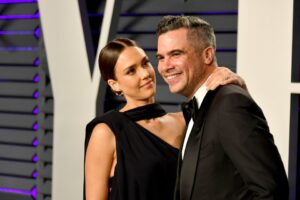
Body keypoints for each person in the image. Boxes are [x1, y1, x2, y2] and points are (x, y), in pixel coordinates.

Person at [84, 37, 245, 200]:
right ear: (114, 84)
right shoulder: (106, 131)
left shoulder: (184, 121)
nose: (145, 74)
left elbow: (240, 141)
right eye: (131, 71)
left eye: (145, 63)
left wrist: (237, 84)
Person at [156, 15, 289, 200]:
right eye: (161, 58)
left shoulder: (230, 103)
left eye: (176, 54)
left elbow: (272, 191)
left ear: (207, 55)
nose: (165, 66)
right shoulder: (199, 107)